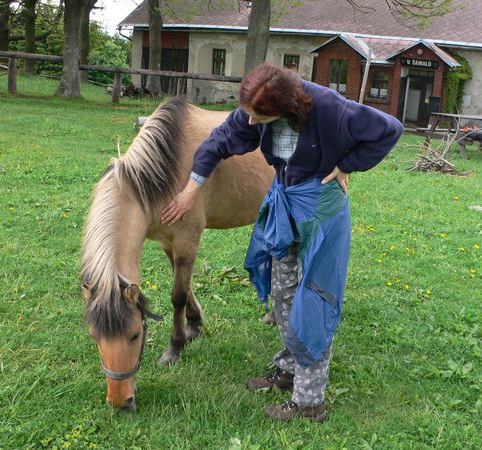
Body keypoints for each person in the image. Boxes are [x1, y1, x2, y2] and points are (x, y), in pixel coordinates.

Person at [161, 62, 403, 422]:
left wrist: (347, 164)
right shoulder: (255, 113)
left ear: (286, 107)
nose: (251, 121)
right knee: (283, 291)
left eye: (259, 117)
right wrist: (190, 190)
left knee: (314, 298)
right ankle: (290, 369)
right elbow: (217, 142)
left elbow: (389, 129)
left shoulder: (329, 107)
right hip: (285, 201)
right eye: (249, 113)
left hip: (320, 207)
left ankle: (309, 401)